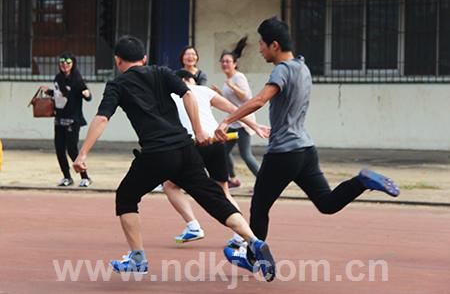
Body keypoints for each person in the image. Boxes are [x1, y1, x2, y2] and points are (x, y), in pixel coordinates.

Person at [72, 35, 276, 281]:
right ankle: (253, 241)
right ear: (144, 58)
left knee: (126, 196)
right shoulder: (161, 71)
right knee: (213, 197)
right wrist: (199, 130)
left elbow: (102, 118)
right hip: (185, 148)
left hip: (157, 153)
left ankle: (137, 258)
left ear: (117, 60)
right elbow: (188, 95)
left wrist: (83, 154)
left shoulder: (117, 85)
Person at [215, 17, 400, 272]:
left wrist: (227, 120)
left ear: (275, 45)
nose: (260, 50)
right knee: (327, 203)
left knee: (259, 207)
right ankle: (362, 181)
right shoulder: (302, 67)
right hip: (306, 150)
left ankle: (254, 258)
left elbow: (260, 100)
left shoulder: (282, 70)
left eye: (262, 45)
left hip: (283, 153)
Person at [165, 70, 269, 247]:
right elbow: (235, 110)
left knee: (169, 185)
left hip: (193, 144)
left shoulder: (172, 94)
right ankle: (240, 235)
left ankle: (193, 226)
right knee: (223, 191)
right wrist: (254, 125)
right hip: (216, 141)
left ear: (179, 81)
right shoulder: (204, 90)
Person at [211, 37, 259, 188]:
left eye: (228, 61)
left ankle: (264, 182)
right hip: (234, 121)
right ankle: (232, 179)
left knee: (246, 154)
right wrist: (219, 92)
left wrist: (232, 86)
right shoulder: (229, 79)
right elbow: (231, 101)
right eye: (223, 61)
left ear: (235, 64)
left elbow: (246, 97)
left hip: (244, 122)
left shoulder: (238, 77)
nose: (225, 64)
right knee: (223, 151)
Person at [40, 52, 92, 187]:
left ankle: (85, 177)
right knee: (59, 149)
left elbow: (87, 95)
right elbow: (60, 95)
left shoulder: (77, 79)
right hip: (59, 118)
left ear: (73, 64)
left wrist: (87, 94)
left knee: (72, 150)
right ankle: (67, 177)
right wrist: (49, 91)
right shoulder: (58, 78)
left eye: (68, 62)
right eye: (62, 62)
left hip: (73, 120)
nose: (64, 65)